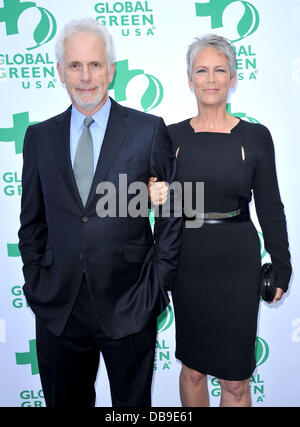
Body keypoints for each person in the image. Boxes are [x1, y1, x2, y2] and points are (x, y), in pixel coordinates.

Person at [18, 17, 182, 407]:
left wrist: (156, 286)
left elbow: (176, 210)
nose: (86, 76)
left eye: (95, 65)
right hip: (59, 307)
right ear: (60, 72)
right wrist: (37, 280)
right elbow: (31, 221)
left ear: (111, 70)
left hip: (129, 303)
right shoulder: (39, 137)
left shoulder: (148, 130)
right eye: (75, 65)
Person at [149, 34, 292, 407]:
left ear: (233, 78)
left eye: (219, 70)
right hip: (187, 263)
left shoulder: (257, 137)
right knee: (193, 369)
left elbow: (271, 207)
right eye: (202, 70)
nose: (210, 79)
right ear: (189, 79)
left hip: (238, 266)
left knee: (235, 380)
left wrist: (282, 266)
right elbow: (152, 202)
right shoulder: (169, 136)